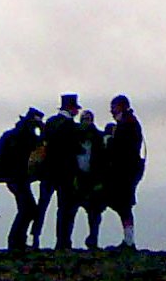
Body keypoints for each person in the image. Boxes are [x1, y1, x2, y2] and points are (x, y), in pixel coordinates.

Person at [31, 93, 83, 250]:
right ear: (71, 108)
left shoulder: (51, 123)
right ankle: (62, 241)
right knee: (64, 209)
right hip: (65, 173)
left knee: (42, 206)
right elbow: (76, 149)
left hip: (47, 171)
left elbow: (42, 144)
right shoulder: (72, 127)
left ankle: (35, 237)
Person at [0, 108, 44, 251]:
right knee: (29, 209)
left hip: (12, 177)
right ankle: (16, 242)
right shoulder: (27, 136)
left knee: (27, 209)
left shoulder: (12, 135)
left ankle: (17, 241)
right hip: (18, 177)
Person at [105, 94, 144, 250]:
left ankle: (129, 241)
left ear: (120, 106)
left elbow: (121, 148)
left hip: (125, 171)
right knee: (123, 204)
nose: (111, 111)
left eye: (113, 107)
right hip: (129, 169)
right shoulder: (131, 122)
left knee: (123, 204)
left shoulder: (126, 124)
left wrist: (110, 142)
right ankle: (128, 239)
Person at [73, 110, 107, 250]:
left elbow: (103, 160)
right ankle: (64, 242)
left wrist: (100, 180)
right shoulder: (75, 137)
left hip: (92, 178)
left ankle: (93, 238)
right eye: (84, 119)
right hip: (77, 177)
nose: (86, 121)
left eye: (88, 119)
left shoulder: (98, 138)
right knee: (70, 210)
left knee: (94, 212)